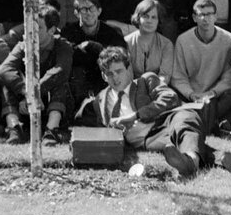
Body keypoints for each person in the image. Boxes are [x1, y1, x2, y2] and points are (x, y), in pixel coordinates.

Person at [76, 46, 209, 178]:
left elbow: (170, 98)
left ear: (129, 69)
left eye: (119, 71)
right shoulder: (100, 100)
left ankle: (190, 163)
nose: (115, 78)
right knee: (196, 143)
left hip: (163, 128)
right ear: (103, 76)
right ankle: (201, 160)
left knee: (185, 117)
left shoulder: (145, 81)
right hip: (143, 143)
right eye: (110, 74)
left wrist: (135, 116)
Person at [0, 6, 73, 146]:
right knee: (6, 83)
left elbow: (61, 70)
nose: (31, 32)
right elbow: (4, 70)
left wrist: (35, 92)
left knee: (61, 82)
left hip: (50, 104)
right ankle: (14, 127)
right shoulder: (22, 46)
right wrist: (26, 92)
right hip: (25, 103)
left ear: (52, 30)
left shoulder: (62, 45)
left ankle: (51, 130)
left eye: (38, 28)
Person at [171, 0, 231, 136]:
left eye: (209, 14)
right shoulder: (183, 40)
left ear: (216, 16)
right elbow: (178, 76)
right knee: (171, 95)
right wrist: (191, 94)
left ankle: (198, 120)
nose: (205, 18)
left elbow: (229, 77)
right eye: (200, 14)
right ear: (194, 18)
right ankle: (210, 122)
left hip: (215, 95)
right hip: (190, 94)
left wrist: (212, 93)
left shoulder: (229, 39)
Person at [61, 0, 127, 108]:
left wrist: (96, 47)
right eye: (83, 9)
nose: (88, 13)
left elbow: (121, 56)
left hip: (104, 75)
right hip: (80, 78)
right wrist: (83, 47)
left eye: (91, 8)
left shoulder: (112, 31)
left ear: (99, 11)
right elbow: (66, 55)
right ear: (76, 13)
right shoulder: (68, 31)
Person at [124, 0, 174, 84]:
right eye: (145, 16)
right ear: (138, 18)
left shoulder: (166, 44)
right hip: (132, 88)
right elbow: (127, 76)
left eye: (154, 17)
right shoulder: (127, 42)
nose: (149, 21)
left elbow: (165, 76)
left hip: (157, 88)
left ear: (159, 21)